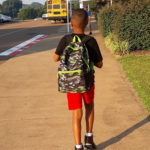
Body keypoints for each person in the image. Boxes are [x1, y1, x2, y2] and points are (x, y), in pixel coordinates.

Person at [54, 9, 103, 150]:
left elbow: (56, 58)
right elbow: (100, 64)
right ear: (87, 23)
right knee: (89, 107)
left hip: (71, 82)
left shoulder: (65, 40)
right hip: (87, 82)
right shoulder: (91, 41)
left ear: (71, 23)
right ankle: (89, 139)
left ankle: (78, 146)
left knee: (76, 114)